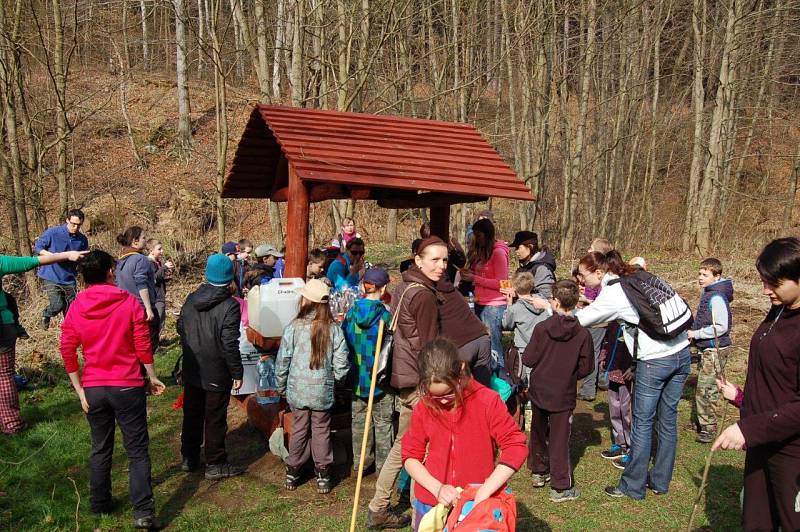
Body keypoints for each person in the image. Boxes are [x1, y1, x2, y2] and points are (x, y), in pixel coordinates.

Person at [59, 250, 165, 529]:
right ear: (109, 273)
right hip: (127, 385)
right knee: (137, 450)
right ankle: (142, 512)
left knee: (100, 447)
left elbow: (67, 349)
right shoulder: (129, 303)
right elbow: (142, 345)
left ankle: (99, 502)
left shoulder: (76, 306)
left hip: (94, 387)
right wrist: (151, 377)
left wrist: (80, 390)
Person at [572, 251, 691, 500]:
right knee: (667, 421)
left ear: (599, 272)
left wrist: (554, 312)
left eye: (583, 276)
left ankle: (632, 486)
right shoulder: (636, 275)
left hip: (655, 360)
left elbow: (580, 320)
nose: (581, 281)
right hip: (681, 353)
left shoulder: (614, 291)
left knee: (643, 423)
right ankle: (660, 481)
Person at [712, 237, 800, 532]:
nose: (765, 290)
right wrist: (742, 398)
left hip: (792, 454)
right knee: (756, 523)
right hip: (762, 441)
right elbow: (777, 378)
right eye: (764, 281)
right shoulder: (779, 310)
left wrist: (748, 429)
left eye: (774, 283)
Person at [402, 338, 528, 530]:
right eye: (435, 396)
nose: (442, 401)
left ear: (461, 369)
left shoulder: (487, 401)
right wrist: (437, 488)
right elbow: (410, 456)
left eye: (449, 393)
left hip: (473, 504)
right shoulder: (424, 406)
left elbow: (515, 446)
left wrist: (483, 492)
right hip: (432, 502)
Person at [366, 236, 446, 530]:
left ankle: (382, 506)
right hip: (419, 379)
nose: (441, 265)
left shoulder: (404, 285)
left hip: (404, 374)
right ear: (419, 260)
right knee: (416, 448)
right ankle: (412, 509)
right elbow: (429, 346)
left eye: (445, 260)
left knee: (406, 444)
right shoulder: (423, 294)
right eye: (435, 259)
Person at [1, 249, 86, 434]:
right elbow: (32, 262)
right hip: (3, 325)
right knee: (4, 375)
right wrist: (67, 255)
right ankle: (12, 424)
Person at [522, 280, 593, 502]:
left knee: (539, 431)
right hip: (562, 392)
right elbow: (587, 367)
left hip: (541, 389)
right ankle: (557, 483)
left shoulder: (542, 329)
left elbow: (529, 358)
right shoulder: (583, 334)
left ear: (555, 302)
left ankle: (542, 473)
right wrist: (569, 375)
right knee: (559, 438)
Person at [276, 279, 349, 494]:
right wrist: (334, 383)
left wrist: (282, 387)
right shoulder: (334, 330)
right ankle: (323, 473)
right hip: (322, 392)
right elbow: (342, 364)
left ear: (306, 300)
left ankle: (293, 469)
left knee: (299, 428)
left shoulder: (293, 328)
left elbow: (283, 362)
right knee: (321, 430)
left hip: (297, 391)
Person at [177, 253, 245, 480]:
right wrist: (237, 371)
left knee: (193, 413)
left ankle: (189, 455)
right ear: (230, 277)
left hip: (193, 366)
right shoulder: (230, 306)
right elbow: (229, 343)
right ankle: (215, 462)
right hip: (215, 369)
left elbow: (181, 327)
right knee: (214, 418)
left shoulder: (191, 299)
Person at [342, 268, 394, 473]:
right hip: (380, 378)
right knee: (383, 423)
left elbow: (344, 341)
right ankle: (384, 469)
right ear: (383, 288)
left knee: (359, 422)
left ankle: (361, 462)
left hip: (357, 376)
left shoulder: (351, 313)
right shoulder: (385, 316)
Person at [688, 257, 734, 444]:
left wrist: (696, 333)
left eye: (705, 275)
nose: (700, 277)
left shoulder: (716, 297)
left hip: (715, 349)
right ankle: (702, 421)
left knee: (706, 389)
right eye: (699, 273)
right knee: (706, 386)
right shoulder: (709, 293)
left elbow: (720, 327)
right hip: (708, 349)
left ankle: (709, 427)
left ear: (717, 276)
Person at [460, 218, 509, 366]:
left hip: (494, 305)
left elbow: (502, 283)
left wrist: (474, 278)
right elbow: (481, 275)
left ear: (487, 235)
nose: (477, 239)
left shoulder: (499, 253)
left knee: (494, 345)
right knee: (482, 343)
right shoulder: (482, 252)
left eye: (479, 236)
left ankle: (499, 377)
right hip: (480, 301)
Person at [34, 208, 89, 329]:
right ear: (67, 220)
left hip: (69, 277)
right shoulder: (53, 233)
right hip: (51, 275)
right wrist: (53, 257)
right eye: (73, 224)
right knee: (57, 305)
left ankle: (69, 334)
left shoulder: (82, 239)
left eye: (78, 225)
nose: (75, 227)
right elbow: (38, 248)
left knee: (70, 311)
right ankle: (46, 314)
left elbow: (83, 259)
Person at [437, 275, 493, 387]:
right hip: (481, 336)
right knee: (483, 390)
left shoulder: (428, 293)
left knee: (460, 393)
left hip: (461, 344)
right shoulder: (451, 289)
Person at [502, 270, 550, 387]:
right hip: (543, 345)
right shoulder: (542, 301)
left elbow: (506, 325)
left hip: (524, 347)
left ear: (515, 288)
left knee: (525, 374)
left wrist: (509, 304)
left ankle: (528, 395)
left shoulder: (515, 308)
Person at [116, 227, 159, 355]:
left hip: (125, 308)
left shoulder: (121, 260)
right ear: (135, 241)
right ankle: (143, 372)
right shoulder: (140, 259)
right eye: (143, 238)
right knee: (149, 342)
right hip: (141, 308)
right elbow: (142, 284)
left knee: (132, 343)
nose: (145, 241)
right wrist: (148, 308)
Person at [597, 321, 634, 469]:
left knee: (626, 410)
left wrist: (634, 367)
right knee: (614, 408)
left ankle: (631, 447)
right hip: (613, 370)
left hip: (626, 371)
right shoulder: (613, 323)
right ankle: (619, 443)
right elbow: (607, 341)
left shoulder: (634, 324)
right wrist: (603, 358)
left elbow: (639, 348)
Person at [508, 231, 556, 299]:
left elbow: (547, 296)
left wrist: (519, 295)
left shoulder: (542, 268)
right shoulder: (525, 266)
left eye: (518, 247)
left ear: (530, 246)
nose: (516, 251)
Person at [147, 239, 173, 340]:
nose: (162, 251)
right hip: (155, 297)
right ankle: (154, 344)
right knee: (157, 321)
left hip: (160, 295)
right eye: (159, 249)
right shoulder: (149, 263)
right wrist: (164, 268)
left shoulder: (157, 262)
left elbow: (159, 278)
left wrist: (166, 276)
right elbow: (153, 278)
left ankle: (156, 342)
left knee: (161, 319)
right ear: (151, 251)